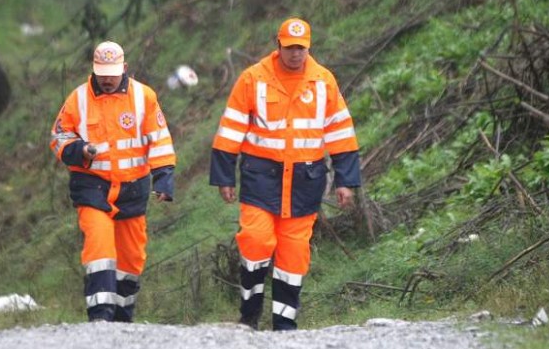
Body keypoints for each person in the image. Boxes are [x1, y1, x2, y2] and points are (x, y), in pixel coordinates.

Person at [210, 18, 361, 330]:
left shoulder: (323, 81)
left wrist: (346, 181)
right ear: (278, 45)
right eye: (290, 48)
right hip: (260, 176)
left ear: (309, 47)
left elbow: (341, 133)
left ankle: (284, 325)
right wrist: (224, 176)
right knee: (255, 240)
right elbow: (231, 128)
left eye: (301, 48)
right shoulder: (253, 79)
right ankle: (249, 316)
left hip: (305, 181)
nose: (296, 54)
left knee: (294, 253)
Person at [50, 41, 176, 322]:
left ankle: (122, 319)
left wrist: (164, 178)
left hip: (133, 189)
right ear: (93, 69)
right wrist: (79, 150)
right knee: (100, 247)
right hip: (92, 186)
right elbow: (58, 137)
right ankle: (100, 318)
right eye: (102, 71)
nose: (107, 78)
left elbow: (160, 139)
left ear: (125, 69)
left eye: (113, 72)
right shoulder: (78, 99)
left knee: (131, 259)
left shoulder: (144, 97)